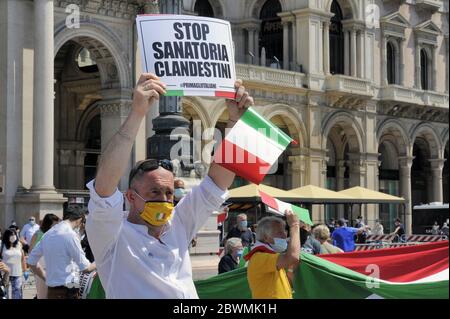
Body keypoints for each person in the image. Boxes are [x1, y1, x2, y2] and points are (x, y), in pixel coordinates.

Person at [85, 73, 254, 298]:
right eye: (154, 191)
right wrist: (137, 113)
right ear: (131, 197)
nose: (165, 200)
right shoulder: (113, 236)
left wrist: (234, 122)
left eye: (168, 192)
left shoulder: (179, 224)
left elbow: (217, 182)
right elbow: (104, 186)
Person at [27, 207, 96, 299]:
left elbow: (31, 261)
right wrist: (99, 262)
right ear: (80, 219)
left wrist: (45, 277)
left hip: (52, 290)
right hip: (68, 290)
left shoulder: (48, 234)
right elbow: (86, 268)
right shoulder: (70, 235)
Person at [245, 212, 300, 299]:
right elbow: (293, 257)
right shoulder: (260, 256)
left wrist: (290, 269)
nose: (285, 235)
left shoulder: (272, 256)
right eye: (279, 232)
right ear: (266, 237)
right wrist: (294, 225)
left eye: (284, 231)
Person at [28, 213, 61, 299]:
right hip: (41, 269)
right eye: (55, 225)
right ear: (48, 224)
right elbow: (31, 252)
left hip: (55, 269)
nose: (57, 227)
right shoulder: (38, 234)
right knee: (42, 294)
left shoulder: (57, 235)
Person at [0, 228, 27, 299]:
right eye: (11, 235)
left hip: (17, 273)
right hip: (5, 274)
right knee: (5, 295)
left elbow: (23, 257)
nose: (13, 236)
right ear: (7, 236)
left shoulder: (19, 244)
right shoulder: (2, 245)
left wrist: (25, 270)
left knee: (17, 295)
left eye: (14, 234)